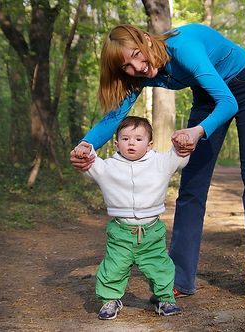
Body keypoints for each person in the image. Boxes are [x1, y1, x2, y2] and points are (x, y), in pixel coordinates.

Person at [70, 23, 245, 306]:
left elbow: (229, 102)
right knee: (191, 186)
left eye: (137, 54)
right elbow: (113, 118)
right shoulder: (139, 75)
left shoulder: (183, 49)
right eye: (127, 66)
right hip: (208, 97)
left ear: (146, 39)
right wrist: (86, 146)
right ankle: (178, 278)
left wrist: (198, 131)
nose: (138, 67)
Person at [74, 116, 189, 320]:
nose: (131, 143)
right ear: (117, 143)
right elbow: (91, 165)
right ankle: (110, 299)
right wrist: (85, 151)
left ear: (149, 144)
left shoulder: (159, 162)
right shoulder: (109, 167)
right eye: (125, 139)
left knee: (160, 266)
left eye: (138, 139)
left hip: (151, 231)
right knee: (113, 267)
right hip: (121, 232)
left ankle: (164, 299)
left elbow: (177, 157)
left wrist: (181, 144)